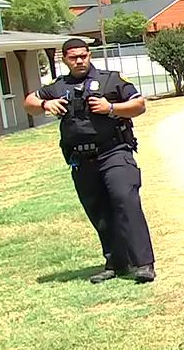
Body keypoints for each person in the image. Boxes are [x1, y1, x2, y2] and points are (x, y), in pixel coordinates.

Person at [25, 38, 156, 284]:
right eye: (73, 57)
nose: (79, 61)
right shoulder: (59, 86)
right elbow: (29, 103)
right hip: (82, 160)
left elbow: (139, 105)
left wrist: (111, 108)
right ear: (65, 59)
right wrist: (45, 103)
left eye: (83, 56)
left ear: (89, 55)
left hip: (114, 152)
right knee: (99, 211)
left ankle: (144, 263)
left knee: (125, 200)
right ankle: (116, 263)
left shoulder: (110, 79)